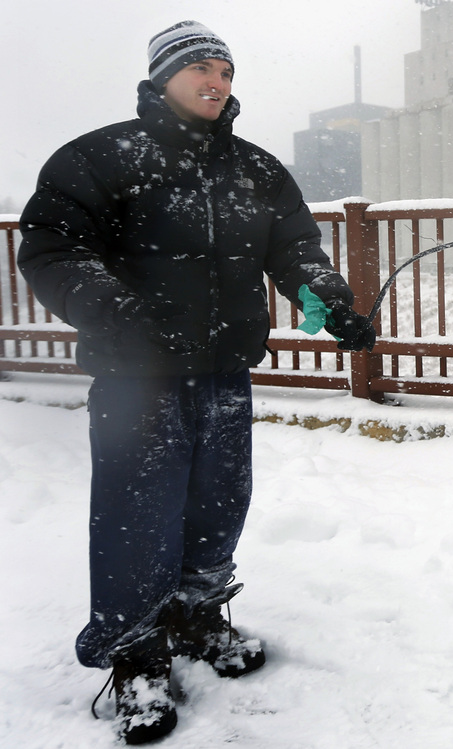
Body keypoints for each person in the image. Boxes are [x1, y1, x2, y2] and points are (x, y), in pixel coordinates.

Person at [17, 21, 375, 745]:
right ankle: (137, 652)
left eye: (225, 70)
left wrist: (329, 301)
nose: (216, 82)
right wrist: (117, 310)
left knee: (219, 499)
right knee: (136, 513)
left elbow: (296, 251)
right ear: (163, 77)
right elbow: (53, 250)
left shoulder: (258, 170)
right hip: (134, 375)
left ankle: (201, 613)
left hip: (223, 369)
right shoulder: (99, 157)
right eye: (200, 69)